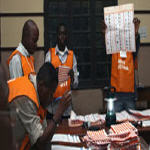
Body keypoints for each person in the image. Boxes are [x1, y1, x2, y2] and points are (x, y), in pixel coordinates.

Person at [8, 62, 71, 150]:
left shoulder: (36, 88)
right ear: (40, 85)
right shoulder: (26, 97)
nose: (51, 97)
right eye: (50, 93)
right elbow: (40, 143)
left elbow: (44, 133)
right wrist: (59, 112)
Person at [103, 17, 141, 112]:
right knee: (115, 123)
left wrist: (135, 32)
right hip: (115, 96)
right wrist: (105, 34)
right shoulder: (112, 51)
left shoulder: (131, 50)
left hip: (130, 95)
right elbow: (105, 48)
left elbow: (136, 45)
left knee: (131, 123)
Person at [45, 23, 79, 118]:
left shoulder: (72, 56)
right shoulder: (50, 55)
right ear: (56, 36)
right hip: (52, 108)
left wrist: (72, 77)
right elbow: (45, 80)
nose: (62, 37)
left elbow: (75, 85)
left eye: (64, 34)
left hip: (67, 109)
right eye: (60, 34)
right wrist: (53, 74)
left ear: (67, 36)